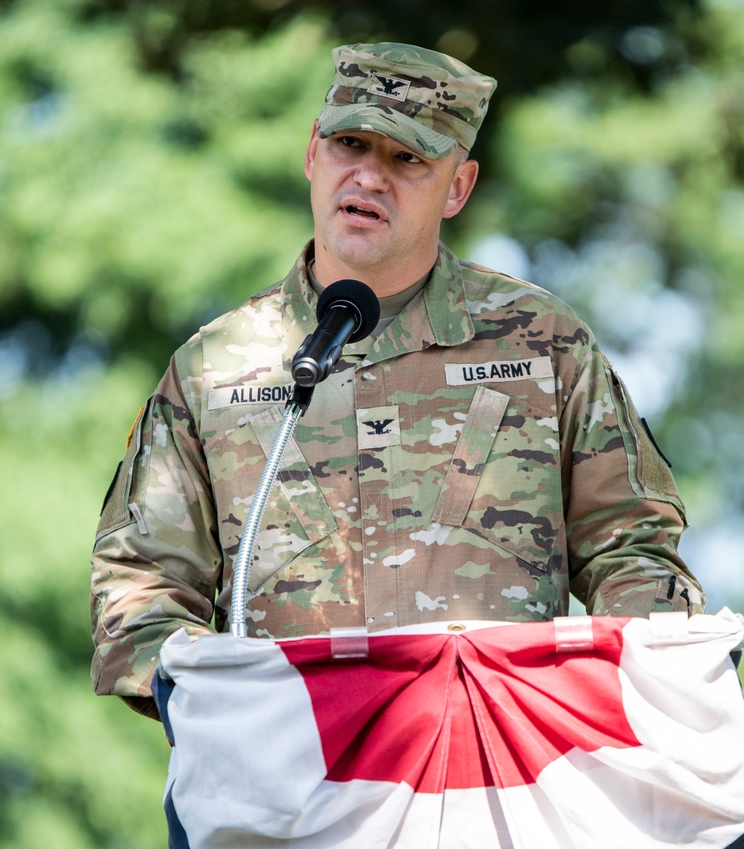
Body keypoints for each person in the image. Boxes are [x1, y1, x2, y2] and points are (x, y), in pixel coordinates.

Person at [90, 41, 702, 721]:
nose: (370, 178)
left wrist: (614, 697)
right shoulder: (216, 368)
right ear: (311, 155)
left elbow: (633, 549)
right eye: (350, 143)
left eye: (407, 158)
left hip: (494, 777)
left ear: (459, 188)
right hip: (293, 781)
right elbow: (141, 588)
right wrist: (218, 712)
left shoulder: (543, 344)